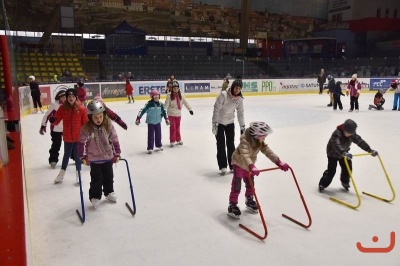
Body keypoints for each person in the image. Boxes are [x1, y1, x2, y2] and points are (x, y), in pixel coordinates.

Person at [227, 122, 290, 219]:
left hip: (249, 165)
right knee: (237, 186)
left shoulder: (259, 141)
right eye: (264, 135)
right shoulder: (245, 141)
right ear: (257, 135)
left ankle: (249, 200)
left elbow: (267, 151)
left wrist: (278, 162)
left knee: (250, 184)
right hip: (239, 163)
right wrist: (252, 166)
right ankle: (232, 205)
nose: (265, 137)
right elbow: (245, 155)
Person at [78, 100, 121, 209]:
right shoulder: (87, 128)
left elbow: (115, 140)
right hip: (94, 159)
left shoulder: (108, 126)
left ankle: (109, 192)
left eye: (100, 117)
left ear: (104, 115)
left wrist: (117, 154)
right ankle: (95, 196)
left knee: (109, 176)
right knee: (96, 179)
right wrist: (83, 157)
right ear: (90, 116)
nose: (98, 120)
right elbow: (81, 143)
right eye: (96, 117)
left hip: (107, 157)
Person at [318, 119, 378, 192]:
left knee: (347, 167)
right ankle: (323, 183)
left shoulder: (352, 134)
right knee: (332, 170)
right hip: (333, 153)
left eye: (351, 133)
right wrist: (344, 153)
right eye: (348, 132)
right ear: (344, 129)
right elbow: (337, 145)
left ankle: (345, 182)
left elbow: (360, 142)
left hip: (344, 153)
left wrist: (370, 150)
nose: (349, 134)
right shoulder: (337, 133)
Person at [50, 88, 88, 184]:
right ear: (66, 98)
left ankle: (78, 174)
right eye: (69, 96)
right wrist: (53, 120)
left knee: (77, 155)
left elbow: (85, 123)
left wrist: (87, 133)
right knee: (66, 155)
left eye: (73, 96)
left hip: (78, 137)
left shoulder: (81, 109)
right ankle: (61, 174)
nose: (71, 98)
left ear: (76, 97)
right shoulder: (63, 108)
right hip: (67, 137)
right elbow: (57, 119)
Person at [212, 77, 245, 175]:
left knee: (231, 144)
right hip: (220, 123)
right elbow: (216, 109)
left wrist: (242, 126)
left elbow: (240, 113)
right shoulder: (223, 95)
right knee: (220, 144)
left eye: (239, 89)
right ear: (233, 87)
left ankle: (232, 164)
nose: (237, 90)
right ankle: (222, 166)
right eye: (236, 88)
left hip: (230, 123)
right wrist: (215, 124)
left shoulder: (239, 99)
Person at [135, 89, 170, 154]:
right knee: (150, 135)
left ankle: (158, 145)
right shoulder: (149, 104)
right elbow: (142, 110)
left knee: (158, 134)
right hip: (151, 122)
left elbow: (164, 112)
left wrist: (166, 119)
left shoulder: (160, 104)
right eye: (155, 97)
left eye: (157, 97)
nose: (157, 98)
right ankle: (150, 147)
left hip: (158, 122)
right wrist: (138, 118)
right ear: (152, 97)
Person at [39, 89, 66, 169]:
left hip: (66, 129)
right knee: (56, 145)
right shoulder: (54, 105)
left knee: (70, 144)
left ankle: (74, 156)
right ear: (59, 97)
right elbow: (47, 115)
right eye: (63, 97)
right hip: (56, 129)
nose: (64, 99)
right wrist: (43, 125)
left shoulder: (69, 105)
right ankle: (53, 159)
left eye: (65, 97)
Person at [164, 80, 193, 147]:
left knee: (177, 127)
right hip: (171, 114)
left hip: (178, 114)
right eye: (174, 88)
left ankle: (178, 139)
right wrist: (164, 112)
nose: (176, 89)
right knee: (173, 127)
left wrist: (190, 109)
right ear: (172, 89)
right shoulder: (169, 96)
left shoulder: (181, 95)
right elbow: (166, 105)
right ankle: (172, 140)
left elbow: (186, 103)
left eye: (177, 88)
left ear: (178, 88)